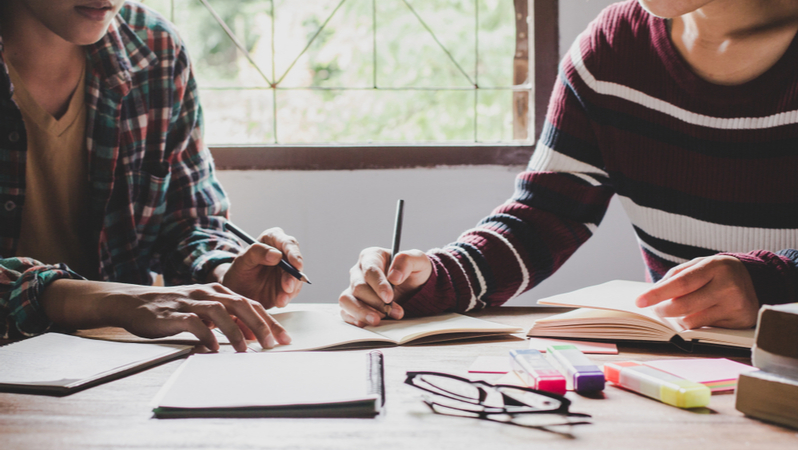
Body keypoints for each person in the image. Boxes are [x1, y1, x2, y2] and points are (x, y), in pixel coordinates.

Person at [339, 0, 798, 330]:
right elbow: (544, 216)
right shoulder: (612, 51)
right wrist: (435, 279)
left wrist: (774, 284)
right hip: (681, 372)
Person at [0, 0, 305, 351]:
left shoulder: (154, 48)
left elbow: (188, 218)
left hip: (122, 364)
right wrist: (112, 301)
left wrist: (222, 275)